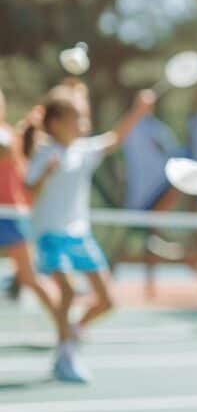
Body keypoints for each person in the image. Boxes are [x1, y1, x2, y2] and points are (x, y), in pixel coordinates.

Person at [24, 87, 156, 383]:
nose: (84, 124)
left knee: (108, 301)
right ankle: (65, 353)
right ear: (56, 123)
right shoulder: (45, 153)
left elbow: (115, 139)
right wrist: (46, 173)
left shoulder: (84, 151)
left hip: (80, 236)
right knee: (68, 292)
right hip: (50, 235)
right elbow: (29, 189)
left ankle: (73, 330)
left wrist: (138, 110)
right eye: (77, 118)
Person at [0, 90, 71, 377]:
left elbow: (3, 149)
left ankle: (66, 330)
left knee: (30, 279)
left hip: (11, 214)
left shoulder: (4, 135)